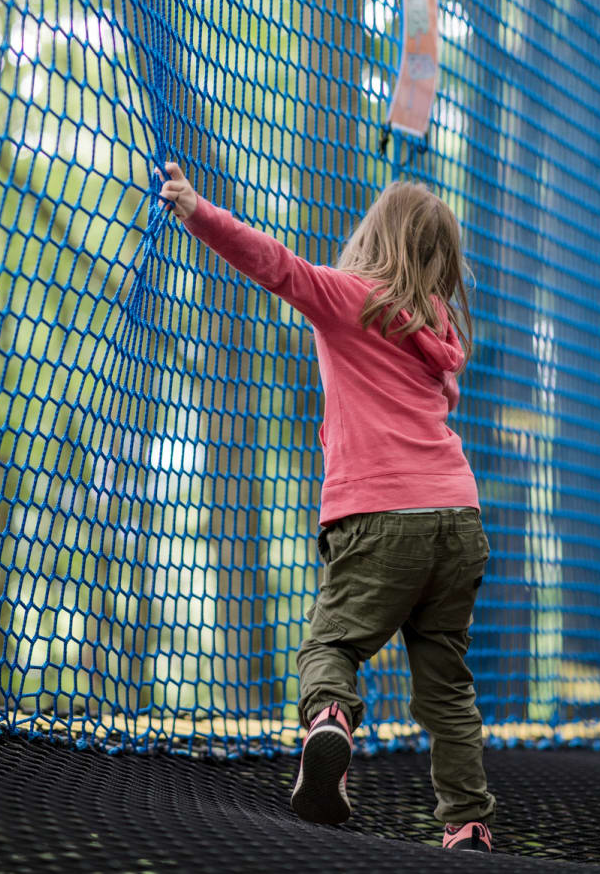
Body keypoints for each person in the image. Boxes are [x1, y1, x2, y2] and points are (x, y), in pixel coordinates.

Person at [154, 161, 495, 853]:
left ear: (376, 239)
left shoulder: (351, 300)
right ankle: (467, 822)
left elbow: (275, 264)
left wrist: (196, 211)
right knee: (446, 687)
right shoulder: (439, 336)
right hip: (459, 521)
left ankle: (331, 718)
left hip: (379, 516)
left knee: (331, 645)